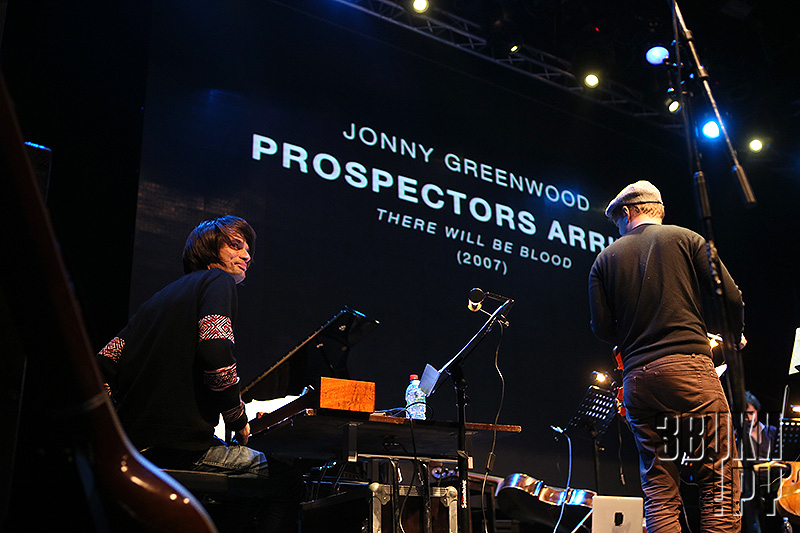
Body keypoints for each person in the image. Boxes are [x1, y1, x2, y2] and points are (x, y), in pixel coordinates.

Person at [96, 215, 300, 532]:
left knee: (240, 495)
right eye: (235, 245)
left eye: (248, 250)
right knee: (287, 480)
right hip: (180, 450)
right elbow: (216, 354)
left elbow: (103, 364)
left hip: (136, 449)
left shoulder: (157, 300)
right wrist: (237, 417)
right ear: (209, 248)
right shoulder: (217, 281)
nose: (247, 255)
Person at [588, 181, 744, 533]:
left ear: (627, 213)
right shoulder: (688, 239)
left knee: (659, 488)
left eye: (617, 222)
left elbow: (601, 328)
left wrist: (635, 331)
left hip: (638, 382)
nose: (619, 230)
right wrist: (735, 335)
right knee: (718, 478)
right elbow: (731, 297)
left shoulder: (604, 259)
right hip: (690, 370)